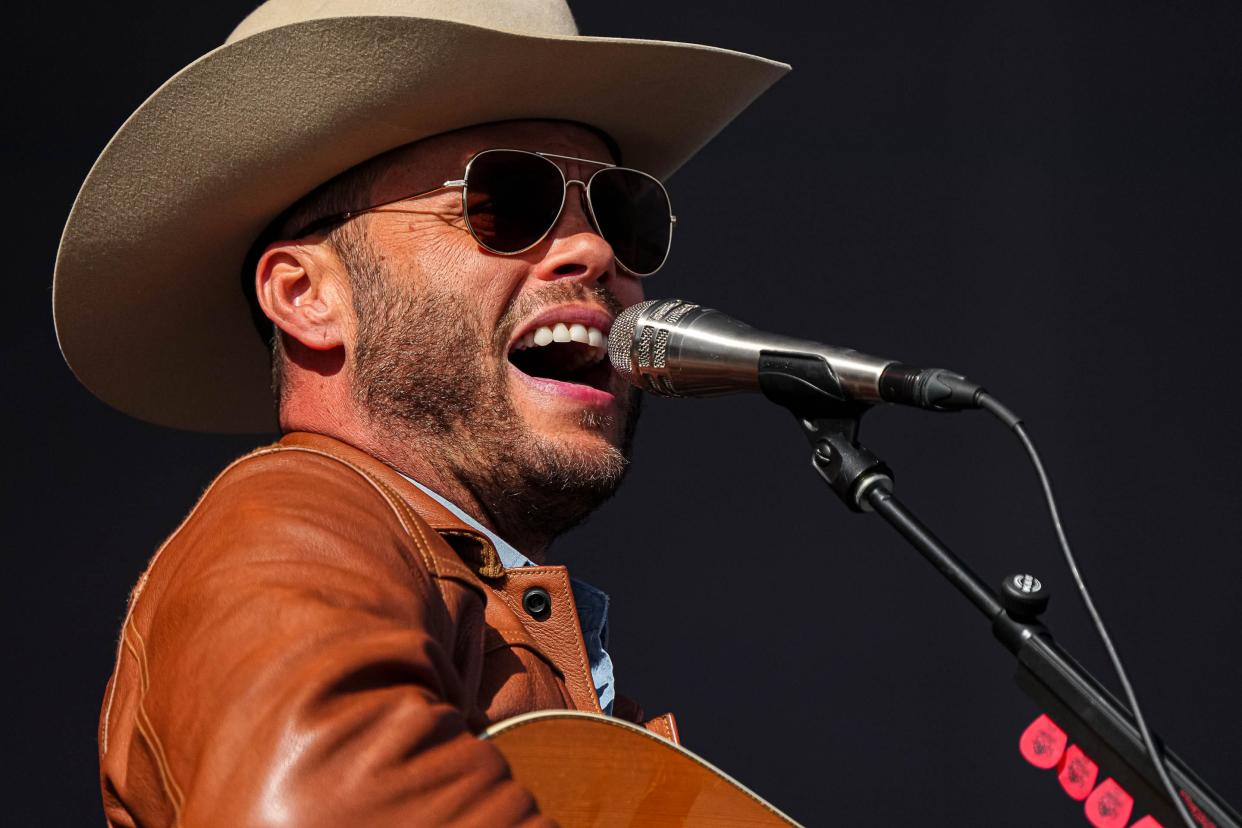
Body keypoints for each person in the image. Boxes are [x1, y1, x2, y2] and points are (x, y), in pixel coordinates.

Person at [53, 1, 787, 824]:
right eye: (506, 202)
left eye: (621, 215)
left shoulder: (453, 582)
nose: (597, 252)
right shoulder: (294, 526)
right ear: (307, 297)